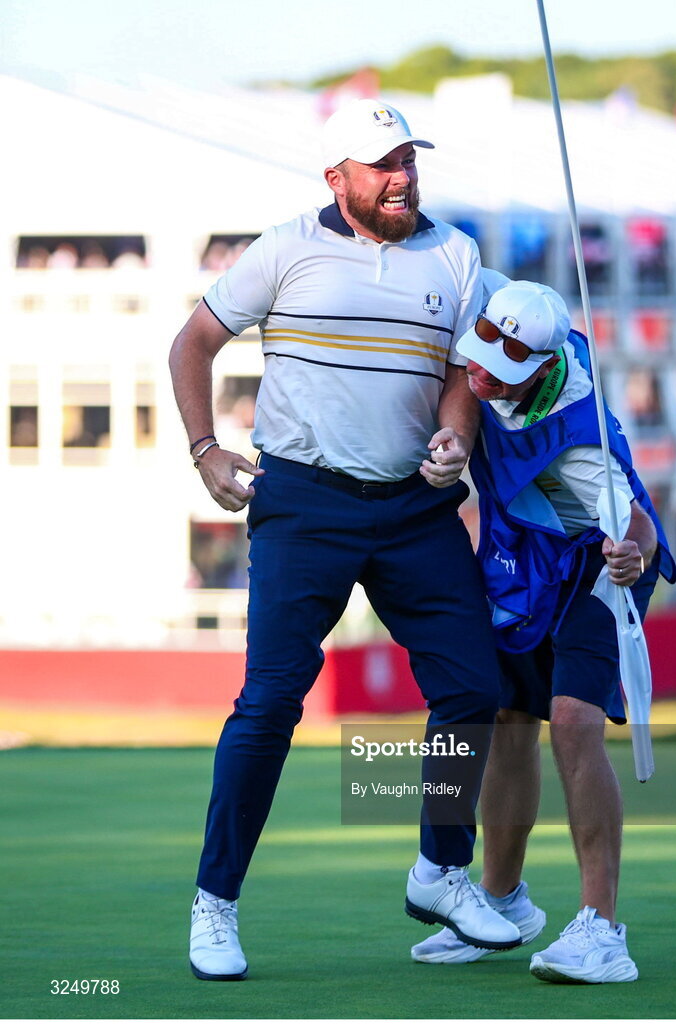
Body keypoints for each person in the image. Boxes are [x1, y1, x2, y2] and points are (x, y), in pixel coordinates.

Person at [169, 99, 522, 981]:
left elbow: (459, 374)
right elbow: (193, 342)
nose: (403, 175)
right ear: (339, 179)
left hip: (412, 507)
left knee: (474, 687)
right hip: (304, 503)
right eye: (383, 164)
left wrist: (457, 437)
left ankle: (441, 870)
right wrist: (205, 449)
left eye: (409, 158)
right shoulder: (285, 249)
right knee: (270, 704)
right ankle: (215, 903)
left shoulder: (455, 253)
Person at [411, 278, 676, 983]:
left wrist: (634, 552)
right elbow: (468, 351)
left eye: (500, 368)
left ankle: (603, 931)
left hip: (601, 562)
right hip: (530, 557)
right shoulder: (503, 329)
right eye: (481, 353)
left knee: (571, 721)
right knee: (505, 718)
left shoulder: (579, 435)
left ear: (537, 369)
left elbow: (636, 522)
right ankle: (502, 901)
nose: (481, 371)